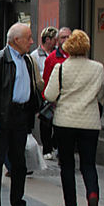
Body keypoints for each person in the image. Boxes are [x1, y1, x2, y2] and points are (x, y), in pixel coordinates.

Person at [0, 22, 43, 206]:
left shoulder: (27, 61)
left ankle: (18, 201)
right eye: (29, 38)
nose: (31, 42)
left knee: (19, 164)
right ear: (16, 40)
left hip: (21, 117)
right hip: (2, 117)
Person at [43, 30, 104, 206]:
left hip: (65, 120)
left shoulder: (61, 68)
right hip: (90, 121)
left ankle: (71, 205)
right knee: (88, 163)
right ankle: (92, 194)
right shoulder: (98, 68)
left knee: (67, 164)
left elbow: (49, 95)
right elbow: (100, 96)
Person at [41, 27, 72, 159]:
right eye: (63, 37)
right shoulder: (52, 58)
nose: (66, 40)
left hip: (69, 98)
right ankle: (48, 148)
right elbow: (47, 79)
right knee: (48, 124)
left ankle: (60, 148)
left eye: (68, 37)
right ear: (57, 40)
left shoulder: (75, 56)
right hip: (54, 97)